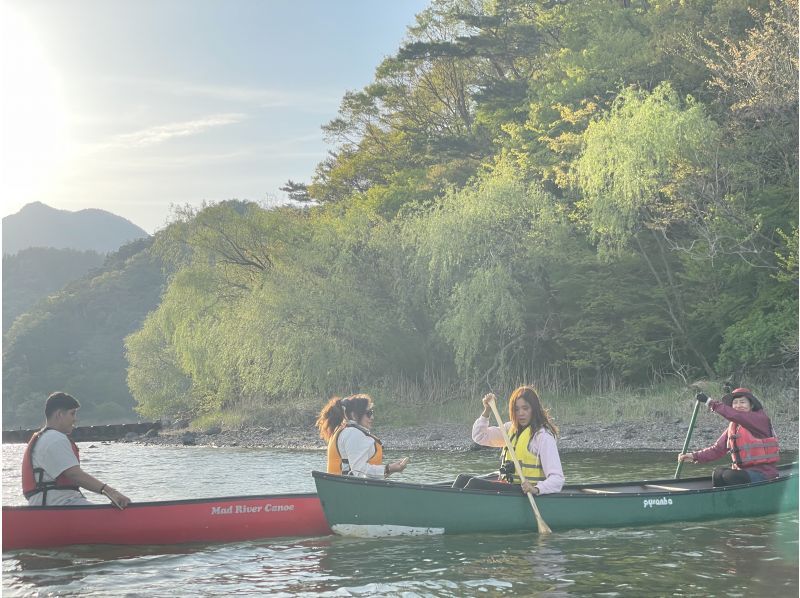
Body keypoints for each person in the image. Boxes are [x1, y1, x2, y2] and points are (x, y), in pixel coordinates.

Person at [21, 392, 131, 508]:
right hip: (59, 505)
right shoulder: (54, 438)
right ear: (59, 414)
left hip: (48, 504)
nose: (75, 419)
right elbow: (74, 474)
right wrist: (110, 491)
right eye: (72, 414)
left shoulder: (44, 438)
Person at [455, 385, 564, 495]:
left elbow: (557, 479)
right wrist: (487, 410)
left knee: (474, 484)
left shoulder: (543, 436)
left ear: (534, 409)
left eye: (525, 408)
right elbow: (480, 436)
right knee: (462, 479)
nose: (520, 413)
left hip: (527, 491)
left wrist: (536, 489)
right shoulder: (509, 429)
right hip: (508, 486)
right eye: (516, 409)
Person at [678, 387, 780, 487]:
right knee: (718, 473)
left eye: (742, 402)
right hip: (743, 473)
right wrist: (694, 456)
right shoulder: (734, 427)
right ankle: (722, 501)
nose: (738, 405)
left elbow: (736, 415)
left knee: (729, 475)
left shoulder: (759, 419)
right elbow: (717, 449)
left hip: (763, 475)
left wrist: (710, 402)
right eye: (735, 403)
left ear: (751, 405)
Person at [316, 393, 409, 479]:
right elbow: (359, 472)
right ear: (354, 415)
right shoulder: (353, 434)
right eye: (368, 413)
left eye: (371, 412)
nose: (372, 417)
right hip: (350, 492)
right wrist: (390, 468)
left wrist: (390, 469)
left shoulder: (344, 431)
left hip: (344, 490)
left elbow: (362, 474)